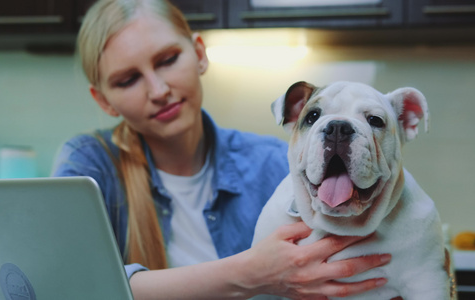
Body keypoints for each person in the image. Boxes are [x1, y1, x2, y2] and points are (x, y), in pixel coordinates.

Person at [51, 0, 391, 298]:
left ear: (199, 54)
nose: (158, 90)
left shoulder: (273, 164)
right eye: (128, 80)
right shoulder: (90, 164)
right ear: (104, 101)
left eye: (168, 60)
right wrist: (251, 274)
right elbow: (68, 286)